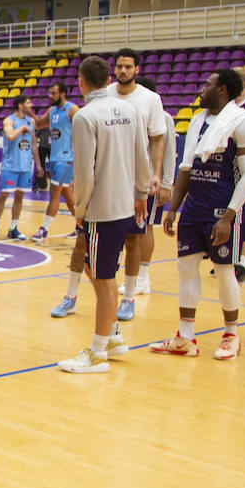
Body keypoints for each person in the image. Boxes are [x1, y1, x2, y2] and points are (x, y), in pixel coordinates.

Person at [152, 69, 245, 360]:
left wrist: (228, 216)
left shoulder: (243, 123)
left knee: (225, 270)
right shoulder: (198, 121)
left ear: (223, 89)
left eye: (208, 85)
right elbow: (187, 168)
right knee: (186, 268)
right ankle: (186, 337)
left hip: (222, 208)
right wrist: (173, 207)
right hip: (194, 208)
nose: (201, 89)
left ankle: (231, 335)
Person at [57, 56, 151, 374]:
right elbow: (143, 156)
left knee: (105, 278)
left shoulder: (85, 116)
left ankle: (98, 353)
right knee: (93, 268)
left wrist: (80, 210)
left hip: (102, 208)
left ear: (81, 82)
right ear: (109, 79)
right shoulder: (129, 110)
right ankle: (112, 334)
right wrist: (141, 195)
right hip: (125, 204)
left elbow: (84, 175)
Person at [111, 50, 169, 320]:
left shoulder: (150, 99)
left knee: (134, 237)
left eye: (128, 67)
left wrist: (156, 174)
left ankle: (130, 295)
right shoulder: (106, 93)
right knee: (100, 238)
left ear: (137, 69)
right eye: (119, 66)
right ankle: (102, 291)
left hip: (136, 180)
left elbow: (158, 139)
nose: (123, 71)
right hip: (108, 178)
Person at [30, 81, 78, 243]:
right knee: (67, 194)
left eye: (54, 93)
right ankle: (82, 226)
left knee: (54, 192)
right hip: (56, 158)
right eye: (50, 93)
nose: (50, 96)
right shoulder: (52, 110)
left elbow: (85, 128)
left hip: (67, 159)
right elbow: (38, 123)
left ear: (63, 93)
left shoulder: (72, 109)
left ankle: (44, 229)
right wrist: (30, 114)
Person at [0, 94, 40, 241]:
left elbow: (33, 144)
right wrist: (22, 129)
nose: (31, 105)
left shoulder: (31, 121)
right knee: (4, 195)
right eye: (28, 102)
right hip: (10, 166)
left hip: (25, 167)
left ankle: (13, 227)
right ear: (20, 105)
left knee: (20, 196)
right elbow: (10, 136)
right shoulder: (9, 120)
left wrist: (38, 164)